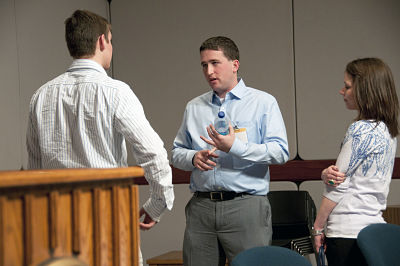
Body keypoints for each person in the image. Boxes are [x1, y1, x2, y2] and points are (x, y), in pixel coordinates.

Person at [26, 10, 174, 264]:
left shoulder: (41, 96)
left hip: (58, 225)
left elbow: (34, 171)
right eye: (111, 40)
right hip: (108, 220)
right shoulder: (115, 92)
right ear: (102, 41)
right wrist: (156, 205)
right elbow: (154, 154)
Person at [171, 36, 289, 265]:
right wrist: (193, 157)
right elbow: (176, 153)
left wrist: (235, 147)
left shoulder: (263, 103)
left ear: (235, 64)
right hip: (201, 208)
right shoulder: (194, 107)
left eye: (215, 63)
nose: (209, 71)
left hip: (246, 206)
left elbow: (280, 152)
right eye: (204, 65)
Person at [313, 58, 399, 266]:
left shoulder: (360, 130)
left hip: (346, 230)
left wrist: (317, 227)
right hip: (373, 229)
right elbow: (356, 176)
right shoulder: (388, 131)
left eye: (348, 86)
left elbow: (338, 186)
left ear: (366, 90)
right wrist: (327, 173)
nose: (342, 91)